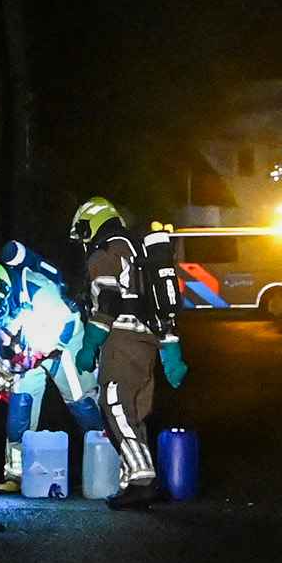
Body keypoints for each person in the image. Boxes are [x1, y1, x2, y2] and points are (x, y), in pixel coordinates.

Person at [70, 197, 187, 510]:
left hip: (120, 341)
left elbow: (106, 303)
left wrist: (89, 345)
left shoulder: (105, 252)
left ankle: (140, 479)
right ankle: (132, 481)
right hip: (148, 342)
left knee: (115, 406)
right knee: (134, 412)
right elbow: (162, 308)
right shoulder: (138, 251)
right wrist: (170, 349)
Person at [0, 241, 101, 492]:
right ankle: (16, 474)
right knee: (20, 406)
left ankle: (108, 463)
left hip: (63, 342)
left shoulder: (36, 288)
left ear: (3, 290)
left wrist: (38, 352)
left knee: (82, 403)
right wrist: (0, 372)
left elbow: (66, 323)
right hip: (27, 348)